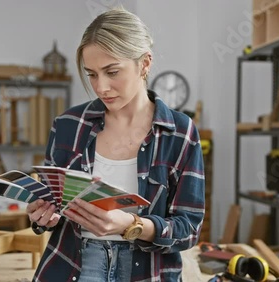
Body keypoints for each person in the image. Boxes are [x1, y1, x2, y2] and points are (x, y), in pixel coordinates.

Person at [26, 7, 205, 282]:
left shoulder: (181, 133)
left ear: (144, 64)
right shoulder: (67, 125)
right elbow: (53, 208)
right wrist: (43, 216)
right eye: (92, 74)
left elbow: (189, 229)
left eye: (112, 72)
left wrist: (132, 225)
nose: (101, 87)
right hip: (72, 267)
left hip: (147, 272)